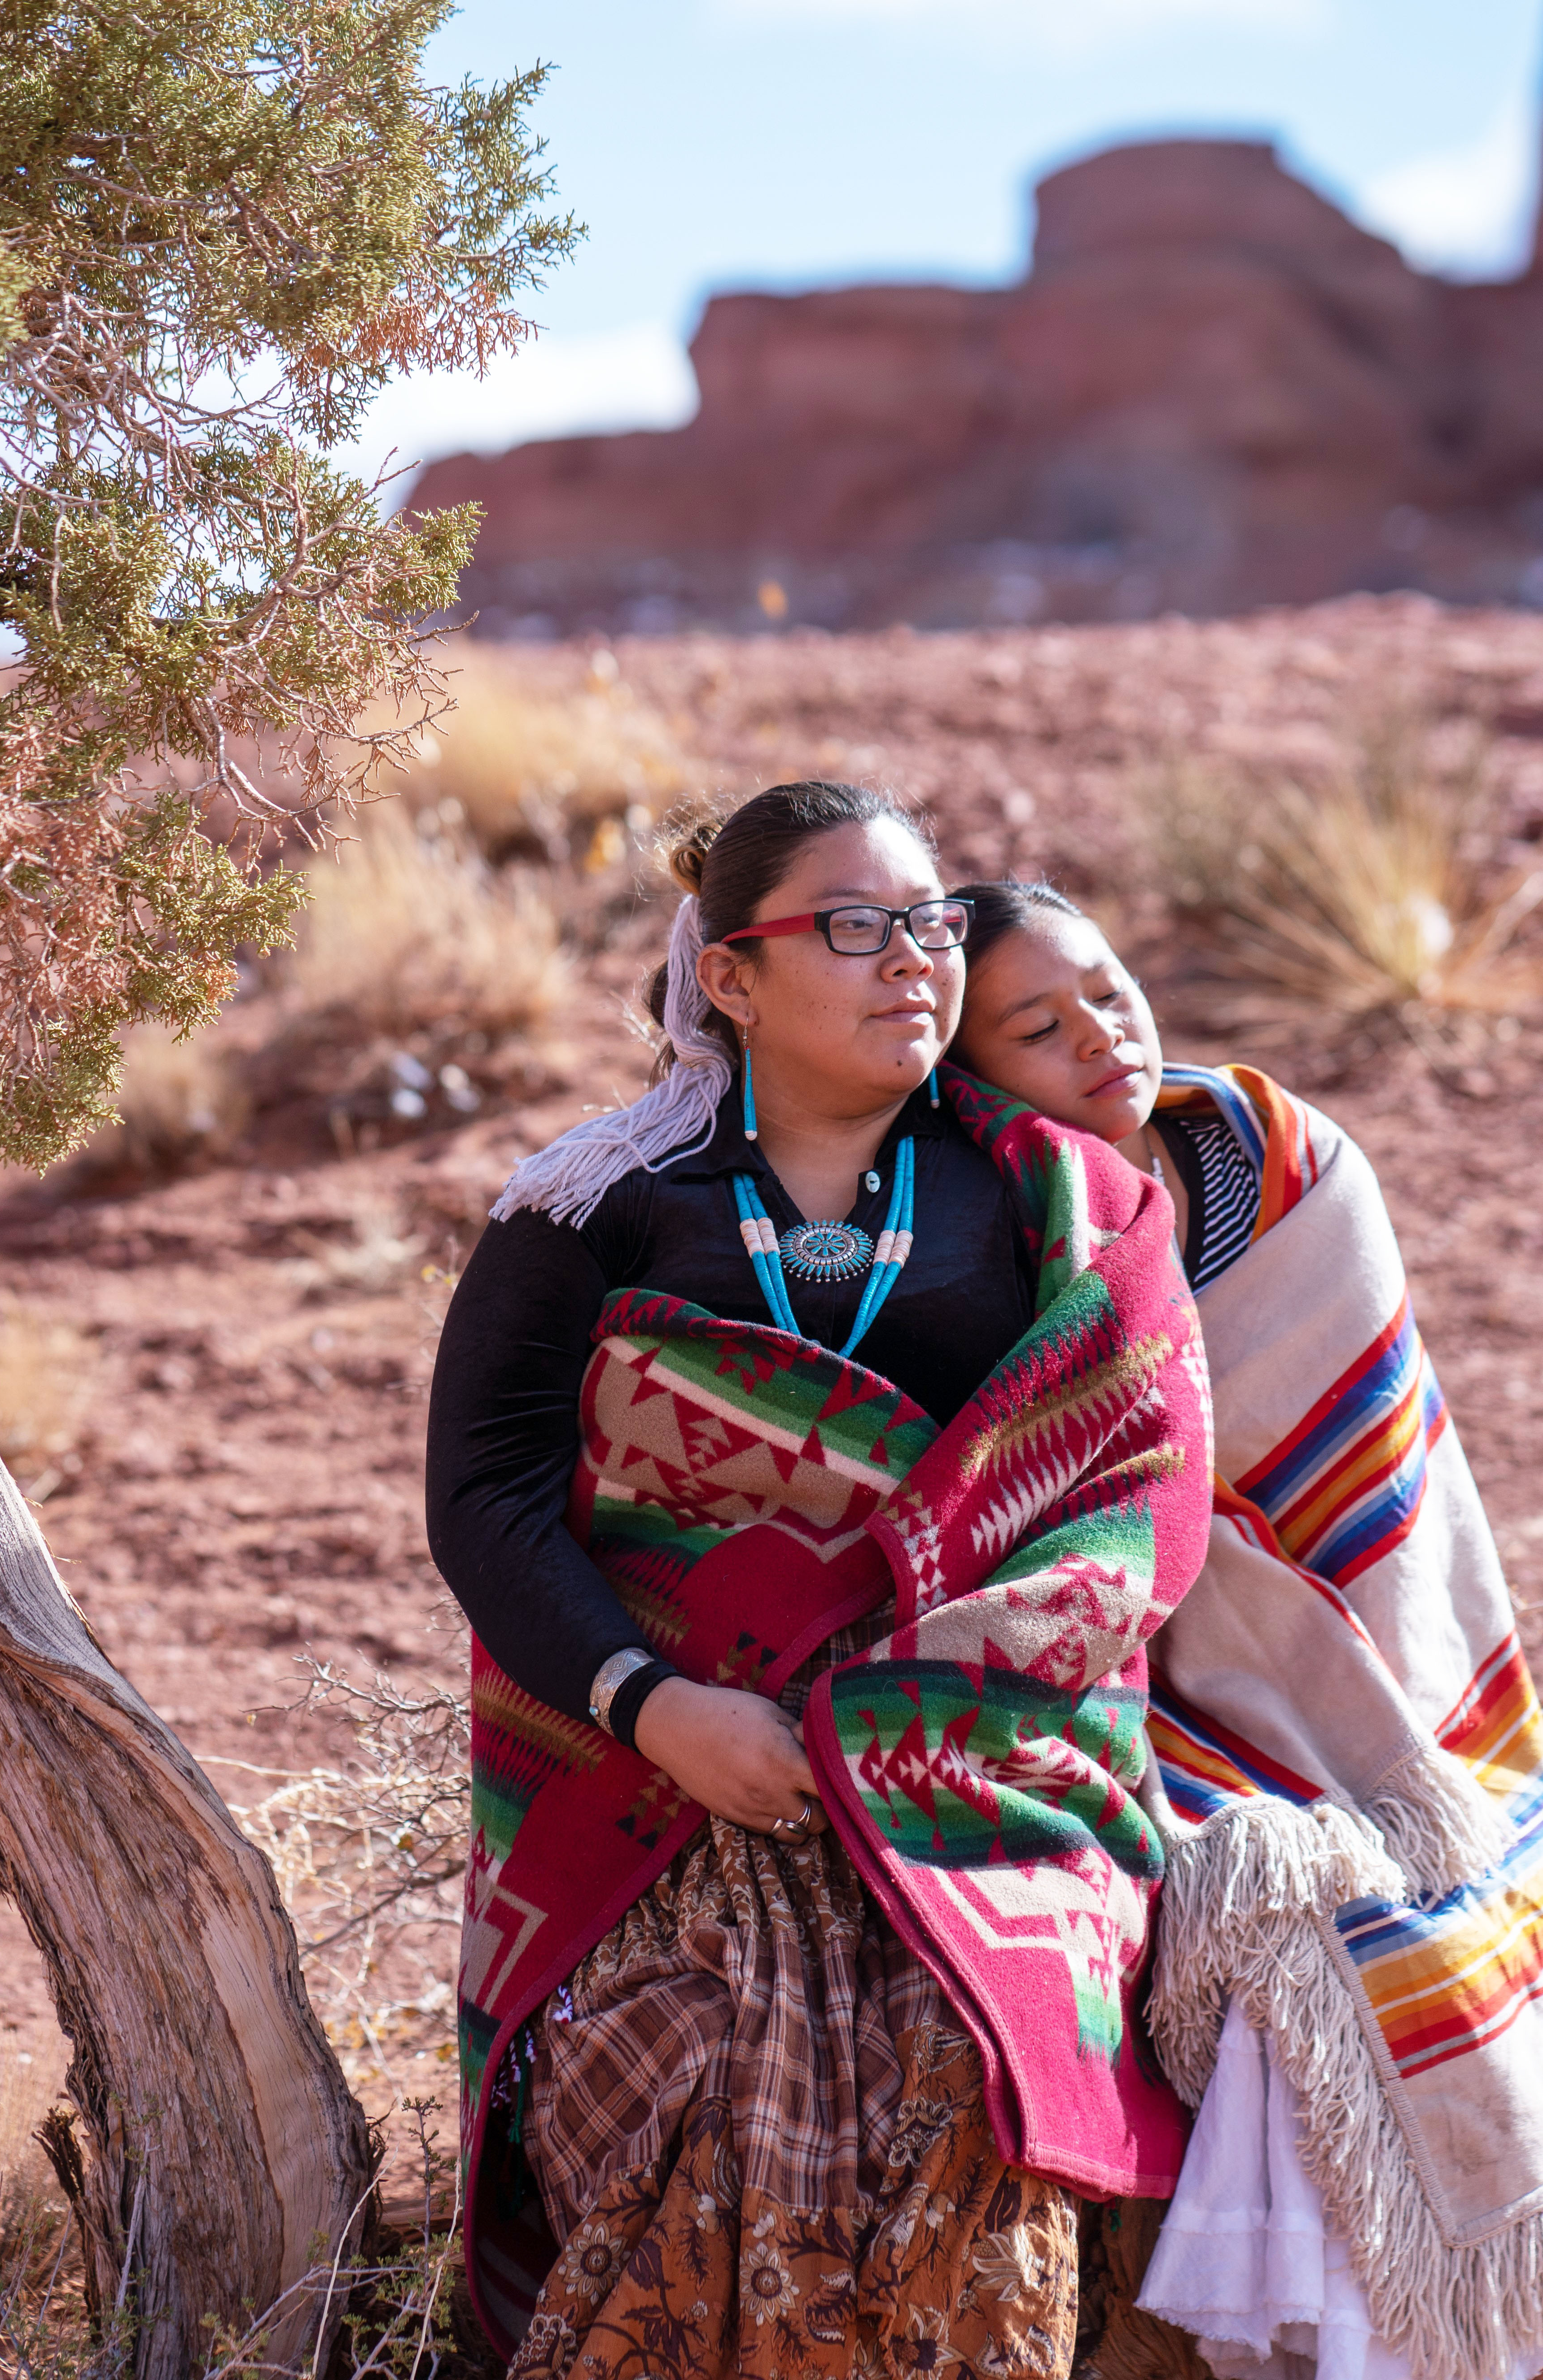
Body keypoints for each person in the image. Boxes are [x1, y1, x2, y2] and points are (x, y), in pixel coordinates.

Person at [428, 783, 1212, 2379]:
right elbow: (486, 1501)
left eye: (929, 925)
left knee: (962, 2061)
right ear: (729, 977)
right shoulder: (595, 1208)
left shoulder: (1059, 1204)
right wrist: (656, 1710)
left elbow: (1138, 1497)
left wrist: (904, 1710)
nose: (912, 961)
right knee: (686, 2067)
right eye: (853, 928)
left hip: (975, 1773)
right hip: (663, 1786)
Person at [949, 879, 1543, 2380]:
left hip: (1398, 1697)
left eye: (1108, 987)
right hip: (1157, 1694)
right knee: (1294, 1926)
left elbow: (1383, 1475)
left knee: (1421, 1911)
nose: (1101, 1034)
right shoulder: (990, 1237)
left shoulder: (1280, 1167)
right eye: (1039, 1026)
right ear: (974, 1074)